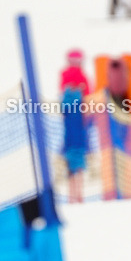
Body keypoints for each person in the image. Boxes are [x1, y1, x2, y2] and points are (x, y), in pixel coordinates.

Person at [59, 49, 90, 203]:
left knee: (72, 163)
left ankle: (74, 196)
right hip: (77, 133)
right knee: (77, 163)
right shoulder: (80, 78)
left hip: (72, 134)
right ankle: (77, 195)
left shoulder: (66, 76)